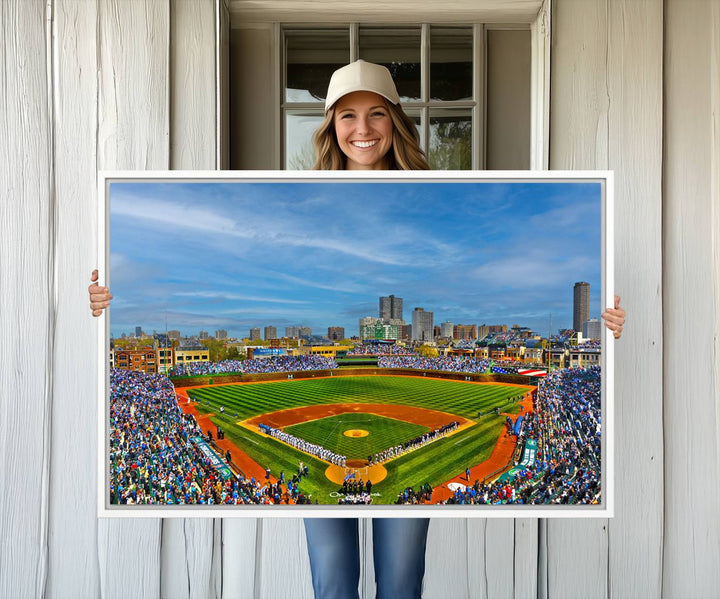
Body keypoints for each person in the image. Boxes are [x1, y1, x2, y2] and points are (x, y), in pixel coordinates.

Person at [88, 59, 626, 599]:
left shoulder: (434, 192)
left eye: (375, 114)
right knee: (333, 581)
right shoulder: (306, 199)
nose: (362, 129)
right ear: (330, 126)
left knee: (400, 582)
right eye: (347, 116)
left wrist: (607, 326)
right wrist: (103, 305)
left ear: (395, 121)